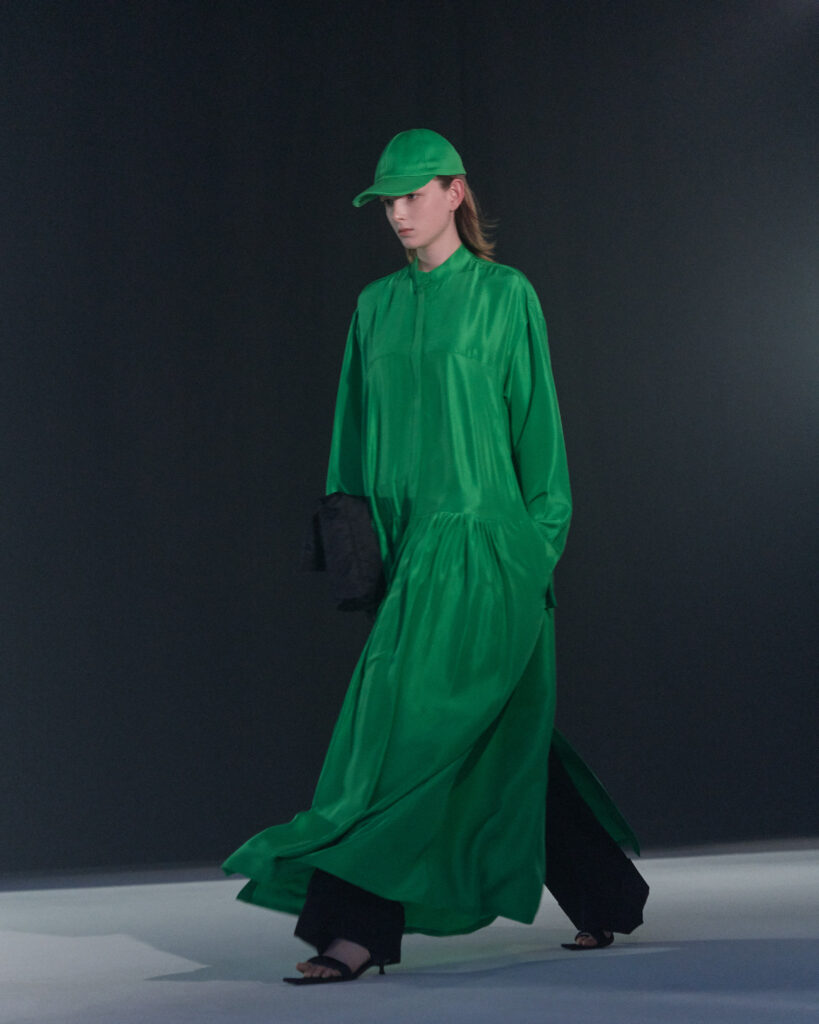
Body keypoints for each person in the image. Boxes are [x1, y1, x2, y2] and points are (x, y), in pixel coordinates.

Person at [222, 129, 648, 984]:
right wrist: (359, 552)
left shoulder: (503, 295)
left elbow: (537, 430)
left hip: (490, 552)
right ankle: (606, 897)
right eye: (387, 199)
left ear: (455, 193)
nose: (398, 211)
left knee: (400, 744)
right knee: (493, 733)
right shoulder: (374, 307)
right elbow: (351, 435)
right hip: (410, 561)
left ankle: (351, 933)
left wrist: (534, 550)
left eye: (413, 193)